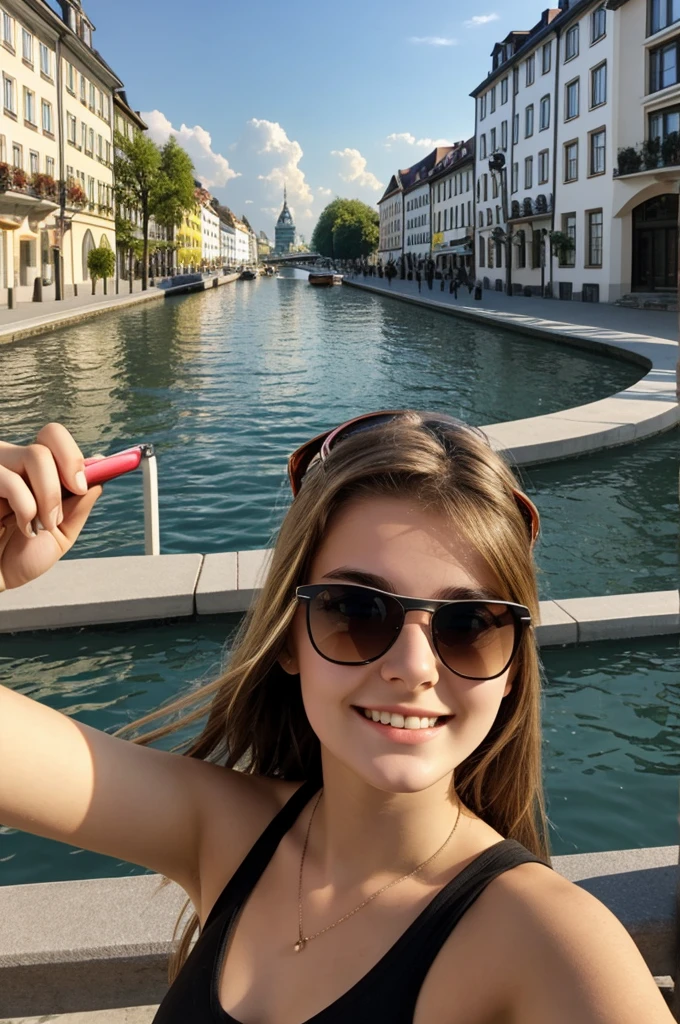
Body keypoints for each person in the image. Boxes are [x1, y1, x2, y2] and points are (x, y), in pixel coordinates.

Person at [0, 416, 672, 1024]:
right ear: (290, 637)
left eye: (469, 627)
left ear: (514, 671)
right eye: (354, 611)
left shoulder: (550, 942)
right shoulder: (224, 830)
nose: (415, 667)